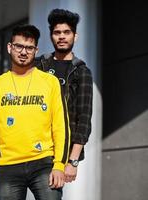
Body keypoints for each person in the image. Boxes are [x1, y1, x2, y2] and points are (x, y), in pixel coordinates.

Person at [0, 24, 70, 200]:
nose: (23, 52)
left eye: (29, 48)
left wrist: (59, 165)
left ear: (36, 50)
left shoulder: (50, 82)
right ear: (9, 47)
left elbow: (61, 126)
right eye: (19, 46)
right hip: (7, 166)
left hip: (44, 163)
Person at [35, 8, 93, 183]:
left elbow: (84, 119)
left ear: (75, 36)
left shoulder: (81, 72)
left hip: (61, 153)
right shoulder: (38, 66)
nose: (61, 36)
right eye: (57, 32)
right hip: (33, 148)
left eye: (66, 32)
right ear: (51, 36)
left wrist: (73, 161)